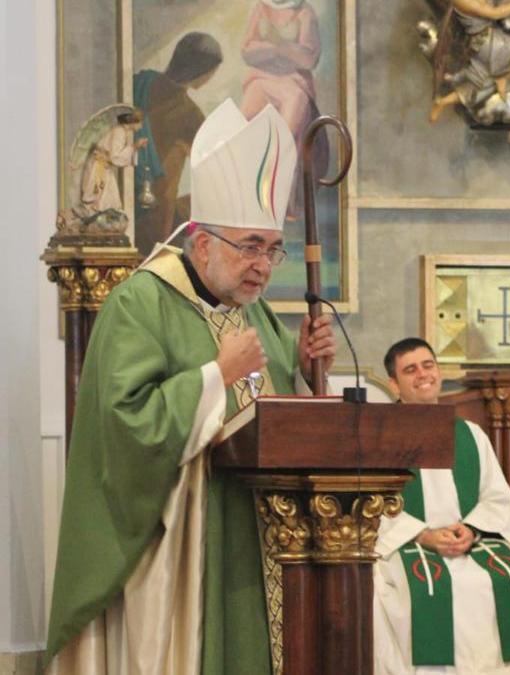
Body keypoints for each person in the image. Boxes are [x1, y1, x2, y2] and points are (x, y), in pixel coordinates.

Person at [44, 99, 337, 675]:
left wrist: (300, 365)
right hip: (180, 547)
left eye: (272, 249)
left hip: (258, 535)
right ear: (202, 243)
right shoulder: (140, 302)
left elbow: (279, 413)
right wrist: (215, 377)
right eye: (250, 245)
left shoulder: (257, 315)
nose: (263, 265)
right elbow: (124, 426)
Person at [374, 338, 510, 675]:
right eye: (410, 370)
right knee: (428, 588)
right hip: (409, 544)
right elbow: (375, 505)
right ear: (394, 384)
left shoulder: (470, 434)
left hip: (472, 541)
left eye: (428, 365)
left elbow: (497, 496)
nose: (422, 374)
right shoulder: (383, 437)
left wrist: (471, 529)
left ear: (439, 372)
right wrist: (424, 535)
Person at [133, 31, 224, 255]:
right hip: (156, 218)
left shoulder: (140, 83)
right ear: (201, 70)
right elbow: (217, 171)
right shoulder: (189, 114)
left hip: (127, 205)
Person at [241, 0, 326, 219]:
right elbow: (247, 50)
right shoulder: (261, 7)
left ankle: (280, 202)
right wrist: (280, 50)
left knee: (285, 138)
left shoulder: (305, 12)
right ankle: (248, 198)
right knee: (246, 128)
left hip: (293, 82)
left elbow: (308, 58)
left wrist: (276, 49)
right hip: (261, 78)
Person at [79, 111, 147, 217]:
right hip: (99, 168)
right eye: (140, 123)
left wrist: (134, 147)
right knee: (105, 202)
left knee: (110, 202)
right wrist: (134, 146)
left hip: (103, 167)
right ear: (133, 121)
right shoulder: (119, 131)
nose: (141, 127)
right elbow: (115, 157)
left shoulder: (122, 131)